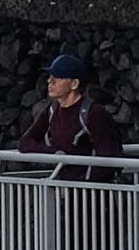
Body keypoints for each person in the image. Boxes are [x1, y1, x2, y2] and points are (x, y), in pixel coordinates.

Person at [17, 53, 122, 181]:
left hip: (93, 194)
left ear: (74, 84)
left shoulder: (94, 113)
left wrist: (84, 185)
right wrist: (54, 153)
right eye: (50, 77)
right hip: (66, 191)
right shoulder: (52, 109)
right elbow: (24, 142)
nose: (50, 81)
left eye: (57, 77)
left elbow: (108, 156)